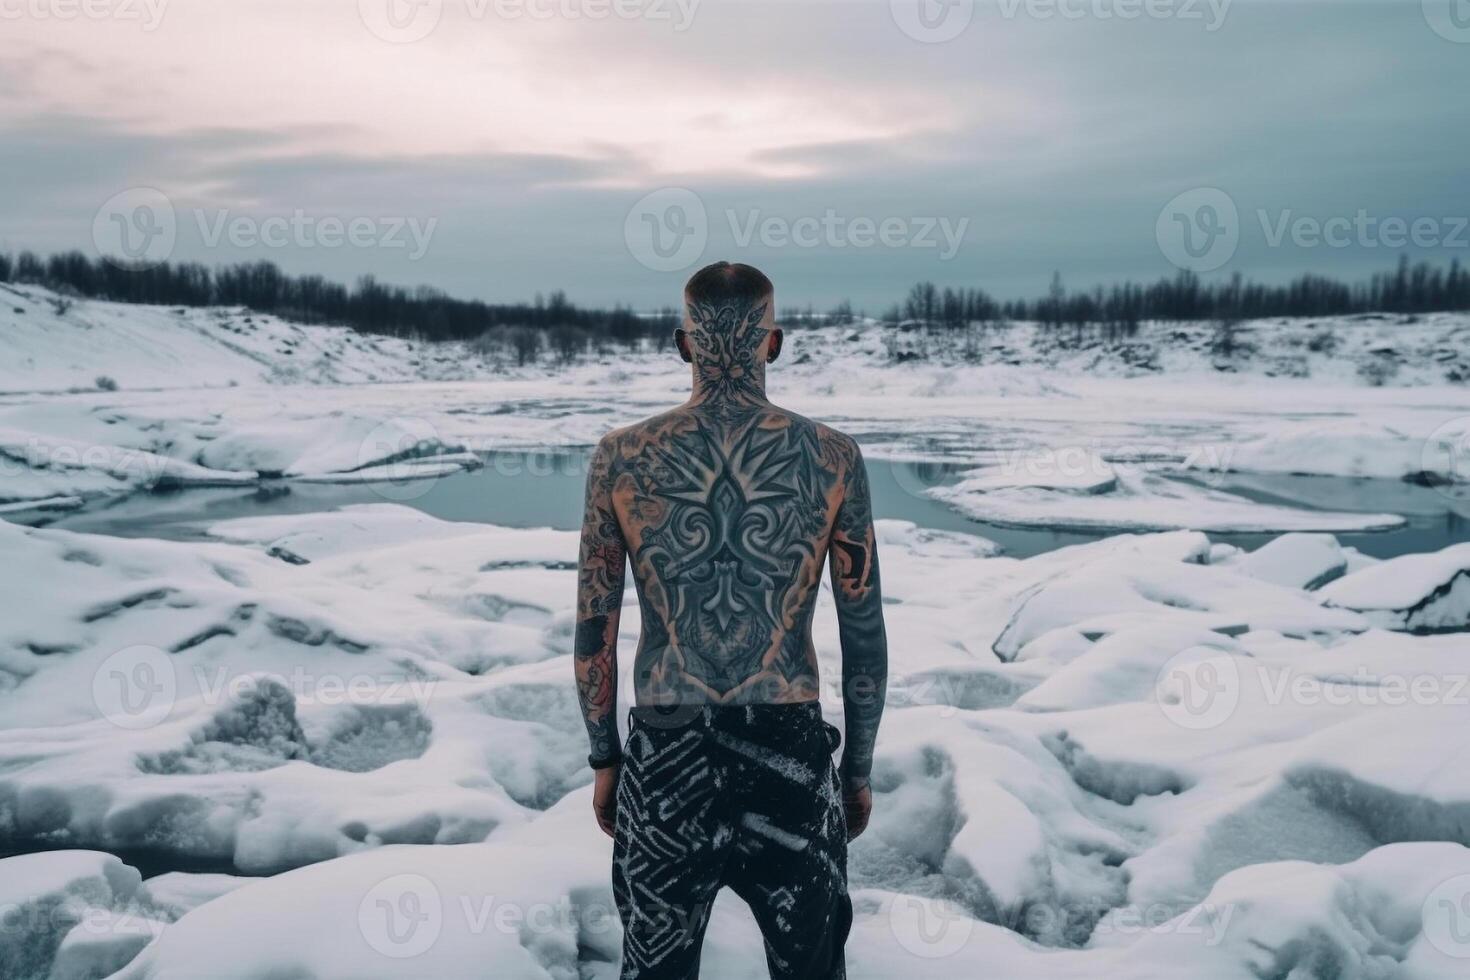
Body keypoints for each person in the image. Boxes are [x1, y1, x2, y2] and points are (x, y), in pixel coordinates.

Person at [573, 261, 888, 979]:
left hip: (668, 745)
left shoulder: (620, 458)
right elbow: (863, 633)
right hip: (788, 746)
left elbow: (595, 628)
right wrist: (857, 770)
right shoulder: (834, 457)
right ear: (774, 343)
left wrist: (605, 759)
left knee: (655, 968)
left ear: (682, 344)